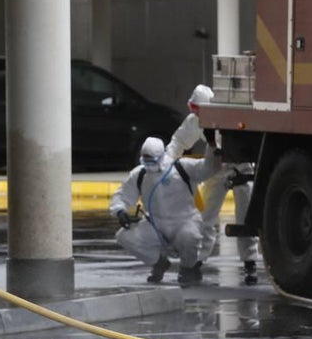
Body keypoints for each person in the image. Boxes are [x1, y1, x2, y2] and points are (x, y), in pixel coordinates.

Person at [167, 84, 259, 285]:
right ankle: (198, 261)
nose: (197, 114)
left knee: (245, 218)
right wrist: (165, 165)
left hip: (241, 169)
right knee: (205, 217)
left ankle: (250, 263)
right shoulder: (194, 122)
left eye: (200, 110)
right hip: (216, 172)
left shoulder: (228, 120)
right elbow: (178, 142)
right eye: (194, 110)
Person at [110, 136, 219, 286]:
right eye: (145, 159)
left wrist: (211, 147)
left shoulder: (182, 167)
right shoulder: (140, 174)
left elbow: (209, 169)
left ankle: (188, 267)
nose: (149, 164)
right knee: (124, 237)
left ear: (161, 156)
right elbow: (123, 194)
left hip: (184, 221)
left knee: (190, 237)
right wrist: (120, 211)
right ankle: (158, 262)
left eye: (152, 159)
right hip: (155, 224)